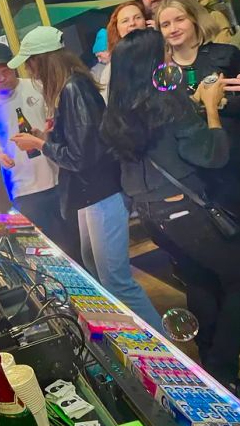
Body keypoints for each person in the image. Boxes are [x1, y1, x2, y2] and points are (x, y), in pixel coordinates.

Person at [101, 28, 240, 393]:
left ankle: (210, 368)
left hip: (153, 219)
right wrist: (209, 106)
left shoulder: (118, 112)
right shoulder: (168, 103)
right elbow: (212, 154)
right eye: (162, 54)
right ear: (151, 63)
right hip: (187, 213)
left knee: (201, 280)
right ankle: (222, 371)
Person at [8, 26, 163, 331]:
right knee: (97, 271)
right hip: (91, 195)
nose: (29, 69)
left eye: (31, 62)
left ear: (45, 60)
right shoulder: (72, 87)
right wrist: (50, 135)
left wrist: (40, 144)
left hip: (101, 192)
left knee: (116, 281)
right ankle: (135, 342)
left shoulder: (73, 89)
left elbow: (81, 157)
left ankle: (169, 353)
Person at [0, 42, 81, 263]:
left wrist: (45, 133)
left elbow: (55, 121)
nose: (1, 78)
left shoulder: (36, 86)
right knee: (46, 252)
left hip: (56, 176)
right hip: (23, 188)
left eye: (4, 71)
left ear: (13, 67)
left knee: (75, 241)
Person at [157, 0, 240, 216]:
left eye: (179, 19)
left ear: (194, 18)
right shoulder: (163, 73)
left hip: (237, 152)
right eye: (165, 24)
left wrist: (220, 103)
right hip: (199, 167)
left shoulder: (227, 54)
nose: (173, 28)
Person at [100, 0, 148, 100]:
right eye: (125, 21)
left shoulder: (163, 53)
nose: (132, 23)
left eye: (138, 17)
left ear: (146, 22)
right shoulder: (110, 71)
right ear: (117, 29)